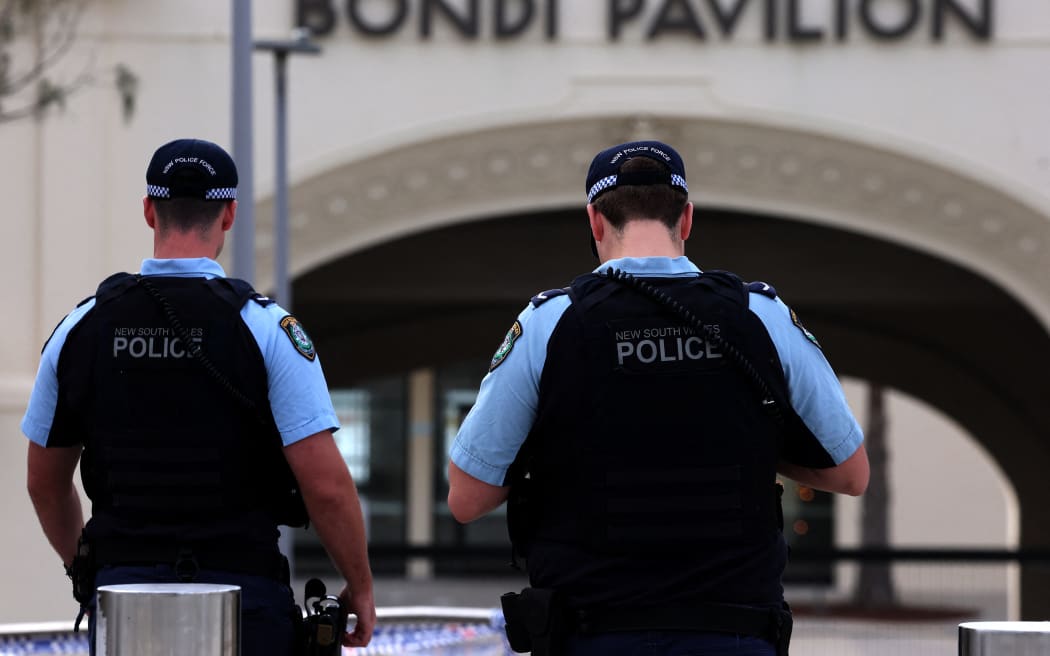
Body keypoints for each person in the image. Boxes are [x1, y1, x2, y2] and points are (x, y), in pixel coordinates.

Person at [446, 140, 869, 656]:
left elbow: (467, 499)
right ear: (686, 218)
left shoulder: (548, 323)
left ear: (595, 221)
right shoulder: (761, 315)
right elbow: (852, 474)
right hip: (733, 635)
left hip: (594, 636)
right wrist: (744, 446)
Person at [23, 138, 375, 655]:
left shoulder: (81, 328)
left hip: (125, 602)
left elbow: (44, 483)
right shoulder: (268, 330)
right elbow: (326, 487)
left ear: (149, 210)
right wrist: (360, 586)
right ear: (229, 214)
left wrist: (85, 570)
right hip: (244, 599)